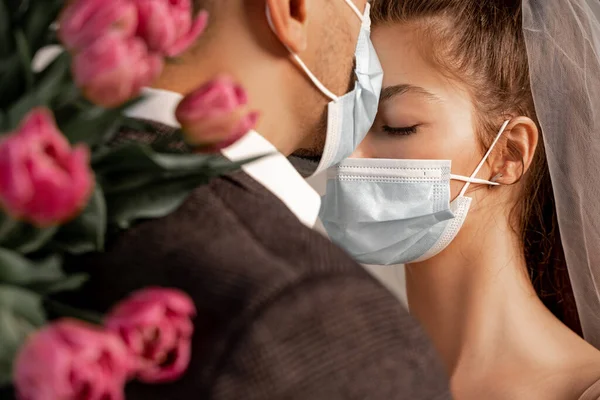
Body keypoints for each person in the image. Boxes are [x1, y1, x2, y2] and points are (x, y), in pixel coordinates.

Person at [59, 0, 451, 399]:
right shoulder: (322, 326)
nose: (366, 31)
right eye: (362, 5)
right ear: (290, 10)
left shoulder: (38, 175)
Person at [319, 0, 600, 398]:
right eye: (348, 123)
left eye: (397, 126)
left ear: (509, 154)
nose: (348, 156)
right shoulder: (324, 377)